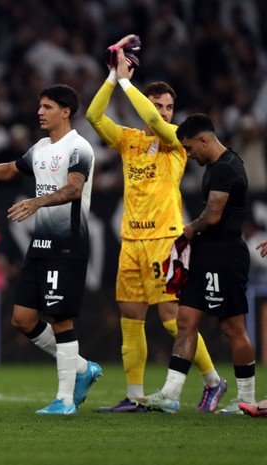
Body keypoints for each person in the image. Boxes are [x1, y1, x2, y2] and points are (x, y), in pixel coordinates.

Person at [86, 48, 225, 413]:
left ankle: (213, 379)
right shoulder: (130, 140)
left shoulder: (175, 140)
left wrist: (128, 83)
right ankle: (135, 396)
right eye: (158, 106)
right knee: (130, 319)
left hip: (166, 240)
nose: (163, 112)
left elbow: (149, 116)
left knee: (171, 321)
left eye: (167, 107)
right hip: (130, 241)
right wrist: (113, 78)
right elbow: (93, 115)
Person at [0, 85, 101, 415]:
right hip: (41, 246)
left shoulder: (79, 148)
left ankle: (65, 400)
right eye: (40, 106)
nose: (39, 112)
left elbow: (74, 189)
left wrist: (38, 201)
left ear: (65, 112)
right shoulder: (39, 148)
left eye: (47, 107)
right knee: (22, 319)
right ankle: (81, 367)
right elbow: (11, 169)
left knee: (60, 319)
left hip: (67, 245)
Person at [138, 114, 256, 414]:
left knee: (232, 328)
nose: (189, 155)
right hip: (205, 255)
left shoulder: (227, 168)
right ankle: (170, 394)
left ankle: (247, 400)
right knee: (185, 321)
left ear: (204, 140)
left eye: (190, 148)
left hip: (225, 256)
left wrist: (187, 231)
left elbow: (213, 215)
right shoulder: (215, 166)